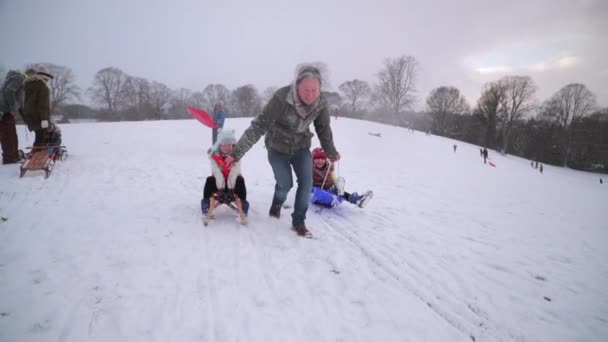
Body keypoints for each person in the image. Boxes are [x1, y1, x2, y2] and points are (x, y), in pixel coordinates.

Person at [225, 64, 340, 237]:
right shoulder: (281, 98)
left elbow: (323, 128)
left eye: (314, 90)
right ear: (297, 85)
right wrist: (236, 153)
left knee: (306, 183)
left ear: (319, 88)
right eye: (306, 89)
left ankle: (299, 222)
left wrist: (330, 151)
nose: (310, 94)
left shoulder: (321, 102)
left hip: (301, 147)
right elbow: (259, 126)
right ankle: (277, 203)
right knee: (285, 183)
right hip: (277, 147)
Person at [201, 129, 249, 216]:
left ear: (233, 145)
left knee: (240, 180)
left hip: (233, 182)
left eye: (229, 145)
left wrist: (230, 189)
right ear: (219, 145)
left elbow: (235, 171)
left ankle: (243, 206)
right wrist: (221, 189)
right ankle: (206, 205)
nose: (227, 147)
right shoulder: (214, 156)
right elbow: (216, 171)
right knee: (209, 180)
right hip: (219, 183)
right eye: (224, 145)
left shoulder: (236, 156)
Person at [0, 68, 34, 164]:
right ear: (28, 76)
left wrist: (28, 121)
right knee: (8, 136)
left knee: (12, 135)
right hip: (4, 112)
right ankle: (9, 159)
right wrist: (13, 109)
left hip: (6, 113)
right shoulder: (19, 78)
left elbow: (20, 106)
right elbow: (9, 91)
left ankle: (13, 156)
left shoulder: (19, 84)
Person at [22, 64, 53, 147]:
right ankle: (39, 154)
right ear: (45, 78)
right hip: (39, 116)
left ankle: (37, 149)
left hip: (29, 115)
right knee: (42, 138)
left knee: (38, 136)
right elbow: (43, 105)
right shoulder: (43, 87)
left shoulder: (27, 85)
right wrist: (45, 119)